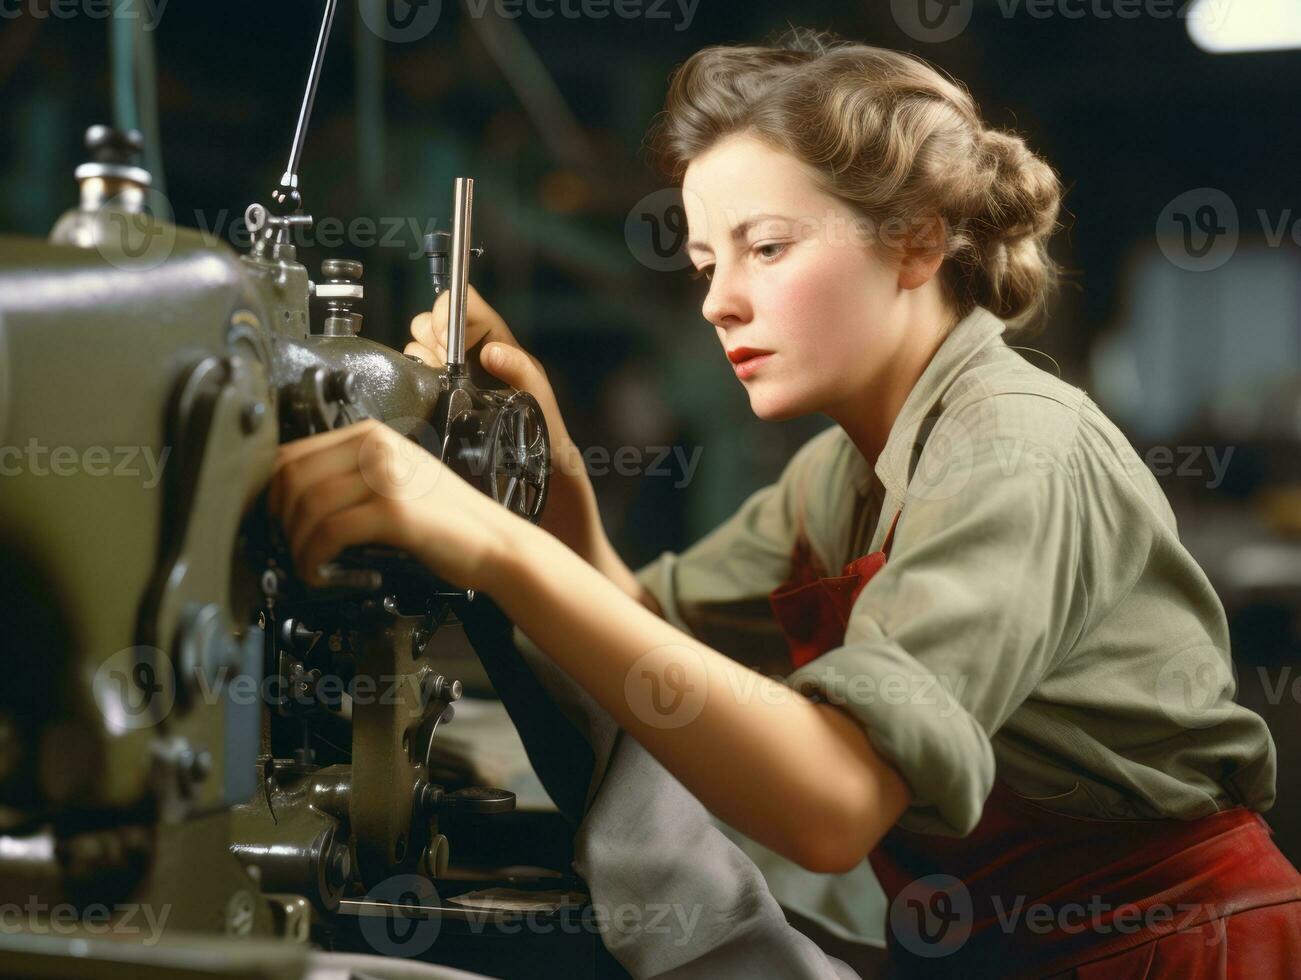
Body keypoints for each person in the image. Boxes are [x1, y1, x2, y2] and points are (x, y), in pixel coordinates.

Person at [268, 30, 1301, 978]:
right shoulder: (837, 474)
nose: (717, 298)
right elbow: (649, 648)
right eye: (708, 263)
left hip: (1177, 948)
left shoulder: (1016, 452)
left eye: (765, 247)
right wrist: (554, 472)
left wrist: (496, 546)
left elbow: (831, 803)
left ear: (914, 243)